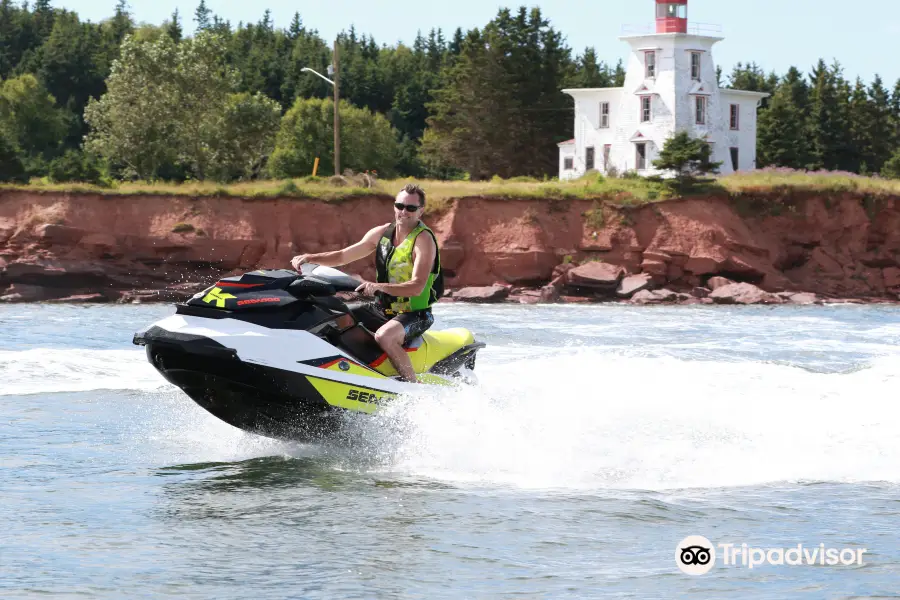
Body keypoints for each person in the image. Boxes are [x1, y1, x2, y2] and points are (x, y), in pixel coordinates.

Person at [290, 183, 442, 383]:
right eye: (399, 206)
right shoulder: (381, 233)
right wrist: (311, 257)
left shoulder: (423, 240)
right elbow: (343, 256)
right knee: (333, 312)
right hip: (383, 308)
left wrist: (379, 287)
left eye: (410, 208)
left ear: (420, 211)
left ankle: (413, 387)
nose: (403, 212)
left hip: (416, 313)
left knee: (384, 337)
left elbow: (417, 286)